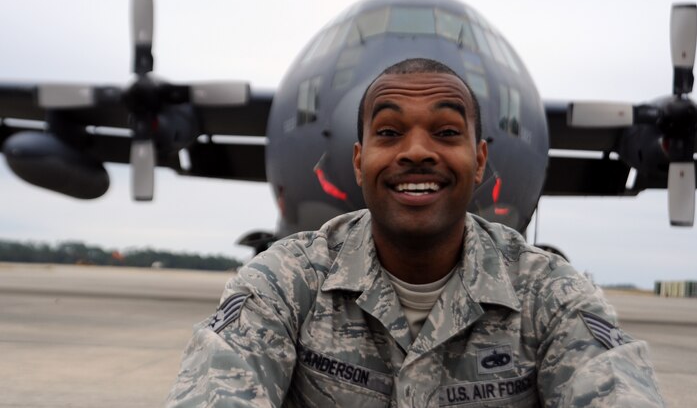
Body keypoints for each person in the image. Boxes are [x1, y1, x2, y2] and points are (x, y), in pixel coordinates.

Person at [167, 58, 664, 407]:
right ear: (359, 161)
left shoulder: (550, 295)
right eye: (388, 132)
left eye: (447, 132)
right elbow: (219, 384)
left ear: (480, 161)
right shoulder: (284, 281)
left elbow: (612, 385)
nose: (417, 152)